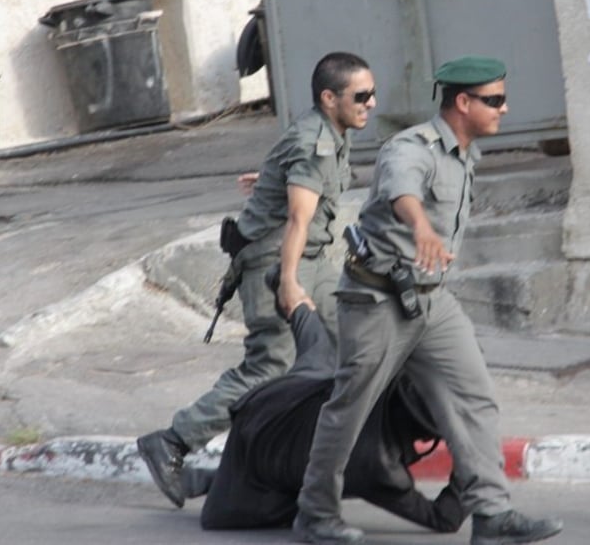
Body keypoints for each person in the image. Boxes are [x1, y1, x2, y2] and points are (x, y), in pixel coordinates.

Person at [292, 56, 563, 545]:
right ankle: (314, 512)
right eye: (495, 100)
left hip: (432, 302)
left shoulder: (465, 154)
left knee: (473, 397)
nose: (506, 108)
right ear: (463, 102)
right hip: (376, 302)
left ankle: (492, 515)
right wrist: (420, 227)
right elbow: (402, 192)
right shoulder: (410, 147)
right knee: (349, 407)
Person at [137, 51, 377, 508]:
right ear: (330, 98)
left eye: (372, 94)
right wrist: (287, 282)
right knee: (272, 366)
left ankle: (293, 458)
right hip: (282, 260)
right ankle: (173, 441)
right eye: (361, 96)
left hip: (312, 261)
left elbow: (297, 187)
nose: (371, 103)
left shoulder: (326, 131)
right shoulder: (316, 142)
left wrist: (270, 180)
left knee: (352, 350)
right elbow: (297, 221)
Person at [188, 296, 465, 534]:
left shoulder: (371, 377)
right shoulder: (379, 468)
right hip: (264, 449)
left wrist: (288, 286)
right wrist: (472, 469)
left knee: (320, 347)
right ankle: (220, 480)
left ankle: (220, 476)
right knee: (290, 498)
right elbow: (443, 518)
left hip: (285, 395)